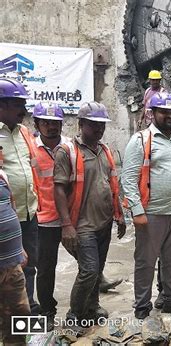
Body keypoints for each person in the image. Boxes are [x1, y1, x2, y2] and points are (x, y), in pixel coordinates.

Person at [122, 93, 171, 318]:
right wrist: (136, 210)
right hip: (151, 213)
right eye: (164, 112)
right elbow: (128, 178)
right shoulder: (141, 140)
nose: (169, 116)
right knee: (146, 261)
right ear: (152, 113)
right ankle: (142, 305)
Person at [54, 102, 126, 324]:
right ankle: (74, 316)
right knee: (89, 271)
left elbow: (112, 185)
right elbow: (58, 188)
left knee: (98, 269)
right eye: (94, 125)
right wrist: (66, 225)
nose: (99, 129)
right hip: (82, 225)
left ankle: (92, 308)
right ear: (81, 124)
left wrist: (120, 215)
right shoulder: (67, 152)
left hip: (103, 223)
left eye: (102, 125)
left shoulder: (105, 151)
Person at [0, 78, 40, 314]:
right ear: (2, 105)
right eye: (18, 104)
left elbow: (32, 168)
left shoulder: (24, 132)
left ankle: (29, 311)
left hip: (29, 213)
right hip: (4, 219)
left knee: (29, 266)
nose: (23, 111)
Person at [32, 103, 70, 330]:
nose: (51, 127)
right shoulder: (30, 148)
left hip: (71, 217)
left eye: (55, 123)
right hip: (44, 219)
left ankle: (90, 300)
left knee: (89, 260)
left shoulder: (70, 147)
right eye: (45, 122)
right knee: (45, 268)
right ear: (37, 124)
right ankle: (47, 310)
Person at [0, 161, 30, 344]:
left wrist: (20, 248)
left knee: (21, 314)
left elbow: (11, 208)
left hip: (12, 264)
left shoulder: (2, 176)